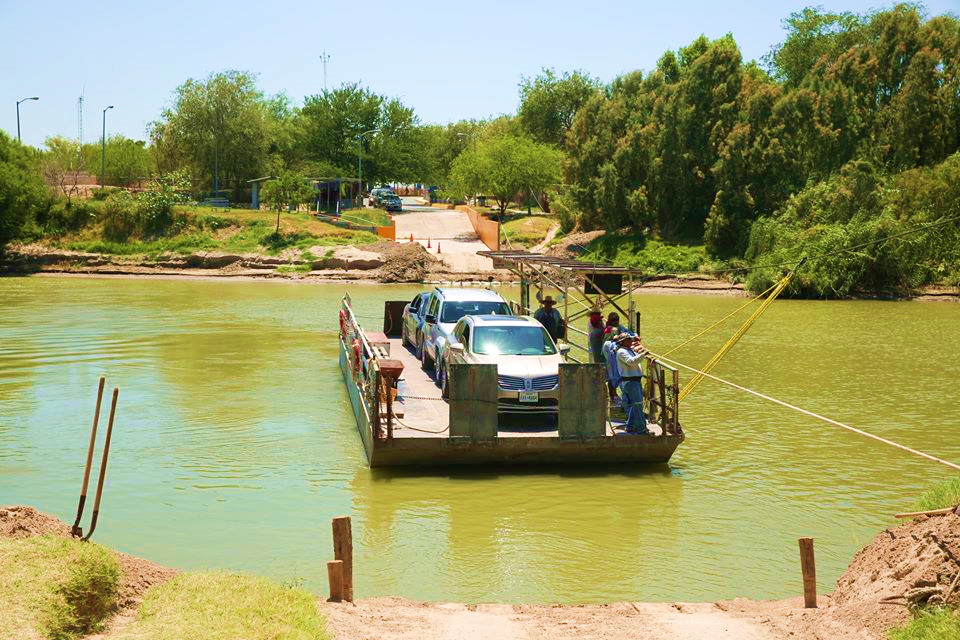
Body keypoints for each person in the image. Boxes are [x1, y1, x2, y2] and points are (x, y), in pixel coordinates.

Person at [616, 333, 649, 435]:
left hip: (634, 381)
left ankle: (630, 426)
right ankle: (641, 429)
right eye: (628, 339)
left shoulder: (629, 350)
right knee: (638, 405)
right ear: (622, 342)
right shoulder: (621, 352)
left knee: (634, 405)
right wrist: (643, 355)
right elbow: (631, 361)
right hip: (630, 381)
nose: (630, 341)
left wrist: (641, 352)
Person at [602, 329, 622, 404]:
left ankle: (613, 395)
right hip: (610, 361)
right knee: (612, 376)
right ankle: (613, 396)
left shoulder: (608, 343)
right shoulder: (608, 344)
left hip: (611, 361)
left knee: (612, 376)